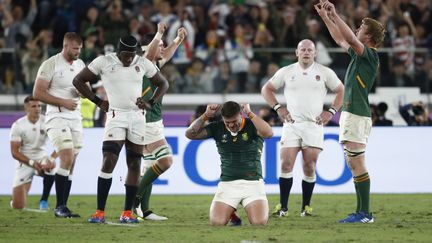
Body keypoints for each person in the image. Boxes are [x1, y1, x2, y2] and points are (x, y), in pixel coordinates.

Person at [73, 35, 169, 224]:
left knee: (134, 165)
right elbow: (78, 80)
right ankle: (99, 212)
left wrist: (150, 102)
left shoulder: (142, 62)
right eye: (126, 55)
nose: (129, 59)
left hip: (137, 117)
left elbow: (163, 83)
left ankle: (127, 213)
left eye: (132, 55)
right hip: (115, 116)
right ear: (118, 51)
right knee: (109, 160)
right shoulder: (104, 61)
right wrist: (98, 101)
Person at [315, 0, 386, 223]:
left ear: (369, 37)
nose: (357, 30)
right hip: (352, 112)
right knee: (353, 162)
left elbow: (350, 38)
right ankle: (361, 212)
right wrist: (327, 19)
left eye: (361, 28)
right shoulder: (359, 54)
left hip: (357, 113)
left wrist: (335, 15)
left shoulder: (371, 55)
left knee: (357, 162)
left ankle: (365, 213)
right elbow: (340, 39)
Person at [261, 39, 344, 217]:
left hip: (313, 125)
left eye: (309, 50)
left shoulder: (324, 72)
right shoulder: (286, 71)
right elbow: (266, 89)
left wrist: (330, 112)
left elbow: (341, 91)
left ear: (315, 53)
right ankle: (283, 207)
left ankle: (306, 207)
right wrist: (278, 108)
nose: (306, 52)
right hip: (292, 124)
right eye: (303, 50)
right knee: (286, 163)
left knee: (309, 165)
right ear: (296, 53)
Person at [185, 101, 273, 226]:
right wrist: (205, 115)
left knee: (259, 223)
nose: (231, 125)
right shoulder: (217, 127)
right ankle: (232, 213)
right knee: (217, 223)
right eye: (227, 122)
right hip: (227, 184)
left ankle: (232, 210)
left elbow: (269, 133)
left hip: (253, 183)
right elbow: (190, 134)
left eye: (234, 121)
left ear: (241, 114)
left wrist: (250, 112)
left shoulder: (252, 124)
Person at [133, 23, 187, 221]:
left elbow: (167, 54)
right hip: (145, 122)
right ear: (147, 48)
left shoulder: (153, 65)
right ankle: (134, 200)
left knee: (149, 167)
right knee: (165, 160)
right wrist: (159, 33)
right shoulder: (141, 63)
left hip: (153, 122)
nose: (162, 48)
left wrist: (177, 40)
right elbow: (150, 54)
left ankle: (144, 211)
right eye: (159, 45)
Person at [33, 32, 85, 218]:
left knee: (71, 163)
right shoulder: (50, 64)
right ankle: (59, 207)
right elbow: (38, 93)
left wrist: (83, 93)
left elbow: (82, 88)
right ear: (65, 46)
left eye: (80, 49)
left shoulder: (80, 64)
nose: (78, 52)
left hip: (76, 118)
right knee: (67, 156)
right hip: (56, 117)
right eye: (75, 49)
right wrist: (63, 102)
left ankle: (63, 206)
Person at [10, 96, 57, 210]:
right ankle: (25, 184)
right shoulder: (18, 125)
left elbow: (60, 144)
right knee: (18, 206)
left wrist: (51, 159)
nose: (37, 109)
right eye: (34, 106)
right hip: (25, 161)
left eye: (39, 106)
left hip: (41, 157)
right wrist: (31, 163)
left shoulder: (47, 121)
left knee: (52, 167)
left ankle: (44, 200)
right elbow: (14, 152)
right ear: (26, 108)